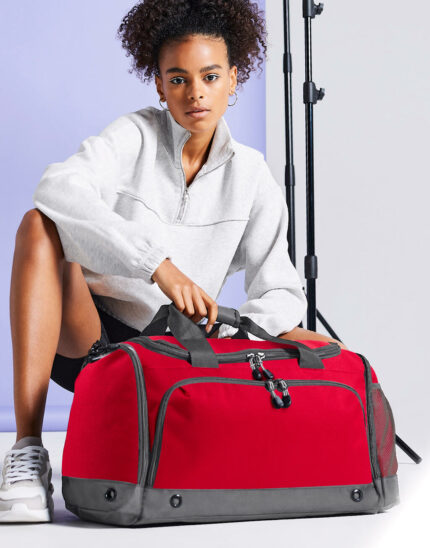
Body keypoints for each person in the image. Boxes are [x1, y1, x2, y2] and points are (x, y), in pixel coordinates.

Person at [0, 0, 347, 523]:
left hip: (173, 352)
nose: (195, 93)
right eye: (178, 79)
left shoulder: (252, 175)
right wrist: (156, 264)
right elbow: (57, 187)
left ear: (234, 79)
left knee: (318, 346)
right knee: (38, 224)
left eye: (210, 76)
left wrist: (234, 333)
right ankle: (28, 452)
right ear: (160, 86)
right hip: (87, 339)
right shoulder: (134, 136)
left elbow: (279, 288)